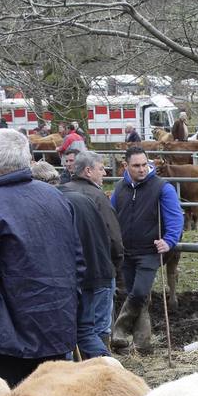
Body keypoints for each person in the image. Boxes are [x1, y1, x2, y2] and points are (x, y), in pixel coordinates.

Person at [0, 128, 84, 386]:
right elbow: (78, 263)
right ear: (28, 160)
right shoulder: (56, 197)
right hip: (55, 330)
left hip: (4, 343)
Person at [110, 145, 183, 352]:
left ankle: (119, 329)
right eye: (136, 166)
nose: (142, 169)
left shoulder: (162, 188)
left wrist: (169, 241)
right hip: (126, 251)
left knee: (140, 292)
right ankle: (142, 345)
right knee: (136, 296)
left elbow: (176, 217)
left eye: (145, 164)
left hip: (150, 251)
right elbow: (112, 216)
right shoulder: (119, 188)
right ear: (126, 166)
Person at [62, 149, 123, 355]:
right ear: (88, 171)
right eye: (101, 168)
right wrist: (116, 264)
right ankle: (105, 369)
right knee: (96, 330)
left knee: (76, 330)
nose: (105, 173)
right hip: (98, 271)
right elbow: (114, 237)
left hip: (71, 275)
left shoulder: (61, 192)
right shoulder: (97, 196)